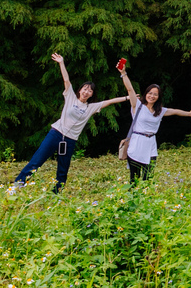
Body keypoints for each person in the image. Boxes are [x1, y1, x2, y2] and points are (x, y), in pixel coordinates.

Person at [11, 53, 126, 194]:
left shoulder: (91, 107)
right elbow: (66, 80)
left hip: (70, 140)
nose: (86, 92)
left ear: (92, 94)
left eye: (90, 91)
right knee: (37, 160)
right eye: (85, 89)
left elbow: (110, 101)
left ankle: (57, 193)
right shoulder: (70, 97)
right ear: (80, 90)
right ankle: (17, 185)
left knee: (63, 168)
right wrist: (61, 62)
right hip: (56, 134)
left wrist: (128, 97)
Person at [117, 64, 191, 184]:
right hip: (137, 143)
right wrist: (123, 73)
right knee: (134, 178)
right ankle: (134, 194)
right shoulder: (137, 106)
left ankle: (146, 194)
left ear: (158, 97)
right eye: (150, 93)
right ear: (145, 94)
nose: (152, 96)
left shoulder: (159, 111)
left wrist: (188, 113)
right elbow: (130, 89)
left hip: (151, 145)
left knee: (148, 177)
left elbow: (175, 111)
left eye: (155, 94)